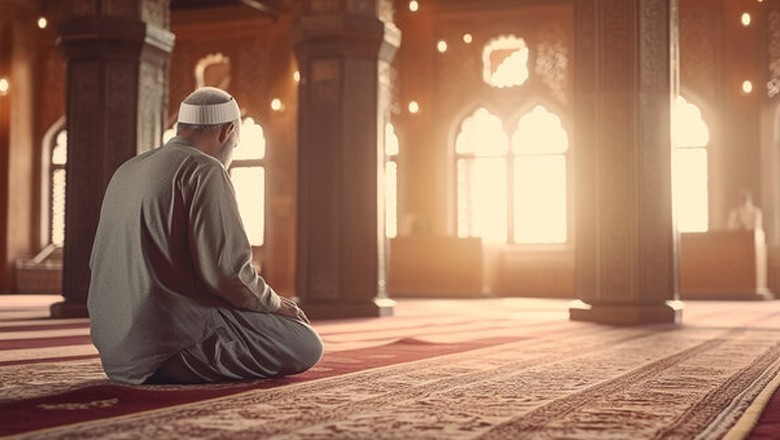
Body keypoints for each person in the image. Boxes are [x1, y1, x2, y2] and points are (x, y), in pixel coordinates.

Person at [87, 87, 322, 384]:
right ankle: (175, 366)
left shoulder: (127, 170)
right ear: (227, 132)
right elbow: (227, 275)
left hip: (114, 349)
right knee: (305, 341)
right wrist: (277, 304)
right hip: (167, 343)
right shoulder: (204, 169)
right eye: (236, 144)